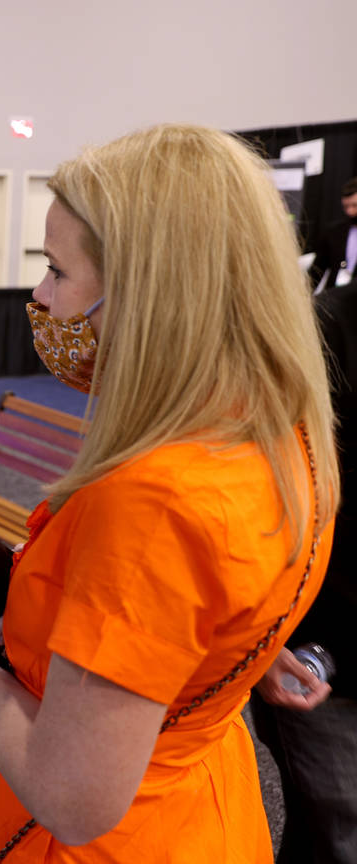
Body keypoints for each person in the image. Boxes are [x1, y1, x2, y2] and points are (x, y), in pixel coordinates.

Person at [0, 123, 339, 863]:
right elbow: (210, 608)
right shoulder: (287, 432)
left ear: (147, 296)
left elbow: (73, 798)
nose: (39, 295)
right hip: (206, 811)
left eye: (57, 271)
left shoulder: (153, 496)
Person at [249, 272, 357, 862]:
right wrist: (262, 644)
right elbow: (261, 497)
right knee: (337, 836)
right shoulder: (325, 329)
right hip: (322, 657)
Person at [312, 176, 357, 290]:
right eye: (346, 207)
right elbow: (317, 270)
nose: (350, 211)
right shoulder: (334, 231)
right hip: (335, 296)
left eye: (354, 205)